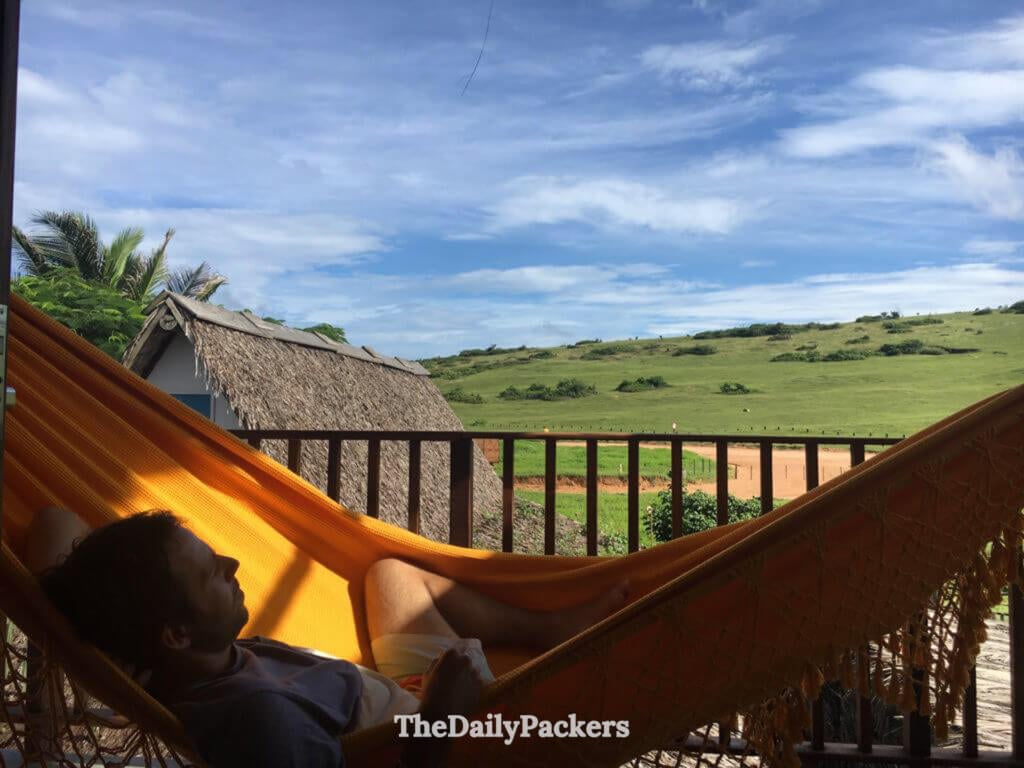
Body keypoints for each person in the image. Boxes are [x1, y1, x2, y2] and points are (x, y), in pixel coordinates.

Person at [28, 507, 628, 767]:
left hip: (388, 698)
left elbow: (55, 520)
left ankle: (552, 627)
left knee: (389, 576)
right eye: (214, 572)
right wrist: (444, 712)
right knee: (583, 702)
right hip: (448, 735)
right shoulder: (262, 723)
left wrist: (85, 627)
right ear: (177, 633)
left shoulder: (160, 663)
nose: (235, 564)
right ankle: (552, 650)